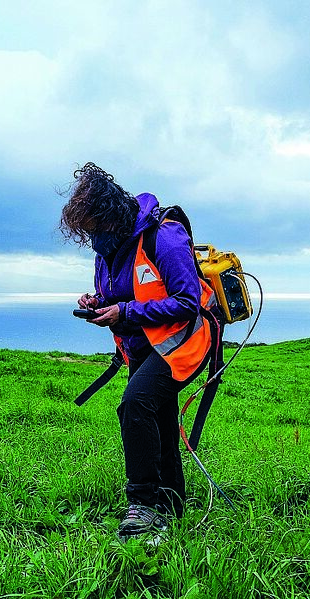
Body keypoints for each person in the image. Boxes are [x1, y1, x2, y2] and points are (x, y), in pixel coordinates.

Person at [60, 163, 217, 542]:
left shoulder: (165, 238)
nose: (90, 238)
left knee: (135, 405)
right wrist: (99, 301)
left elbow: (186, 302)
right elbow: (122, 293)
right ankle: (172, 507)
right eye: (85, 231)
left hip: (184, 342)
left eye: (93, 228)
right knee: (158, 417)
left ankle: (143, 507)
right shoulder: (108, 249)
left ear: (112, 215)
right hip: (142, 347)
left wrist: (124, 312)